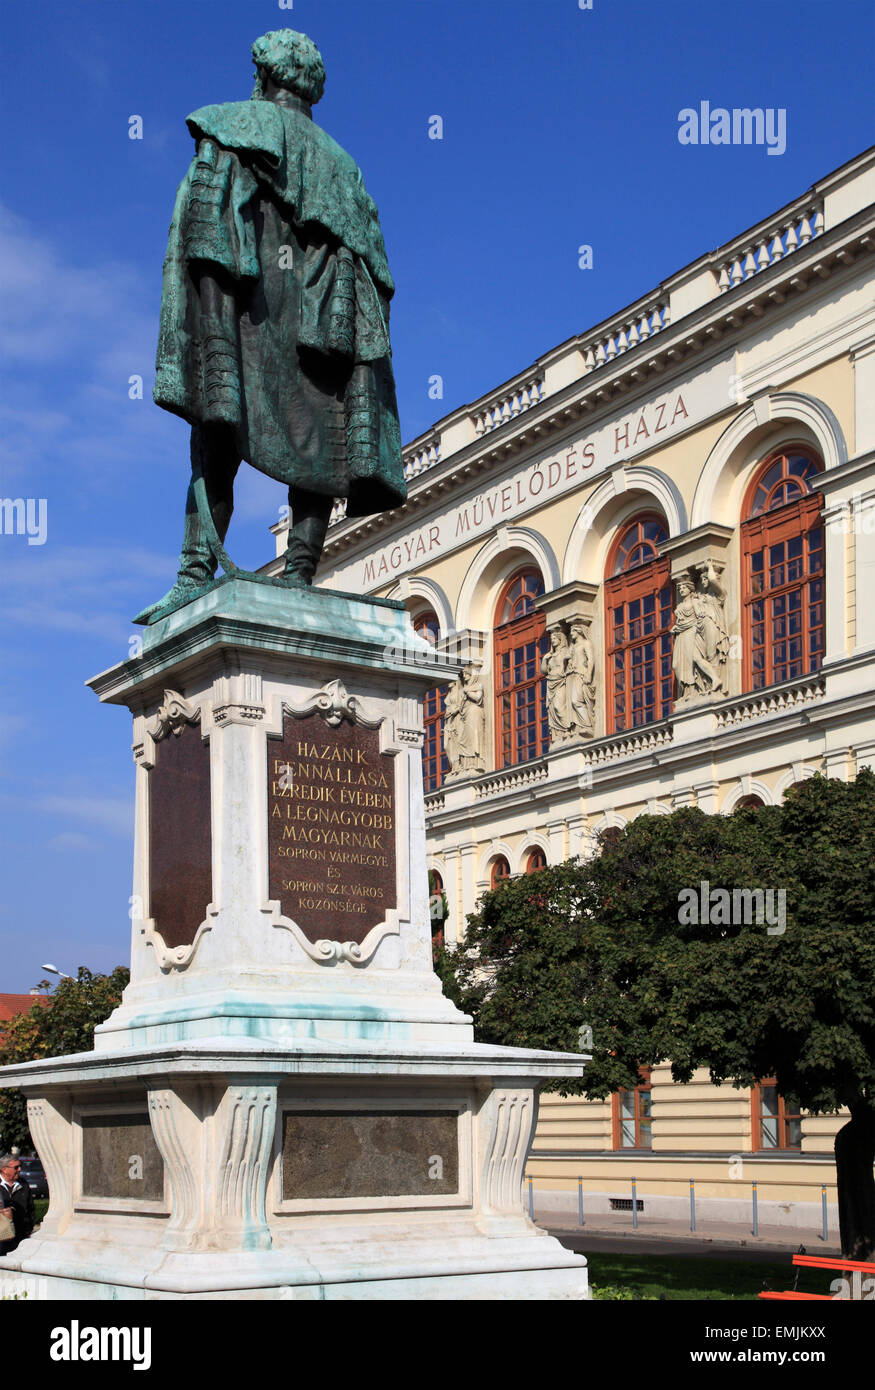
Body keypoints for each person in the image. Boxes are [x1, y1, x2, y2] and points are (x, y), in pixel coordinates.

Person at [137, 28, 405, 623]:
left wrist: (208, 317)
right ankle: (302, 571)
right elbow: (377, 275)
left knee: (216, 436)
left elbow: (206, 233)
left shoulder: (233, 127)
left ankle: (194, 571)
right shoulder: (346, 169)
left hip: (251, 321)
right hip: (326, 335)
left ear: (262, 78)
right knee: (323, 448)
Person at [0, 1154, 34, 1256]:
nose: (19, 1169)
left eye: (20, 1166)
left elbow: (31, 1209)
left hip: (20, 1237)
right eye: (16, 1167)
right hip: (1, 1237)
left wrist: (28, 1230)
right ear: (4, 1169)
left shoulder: (23, 1185)